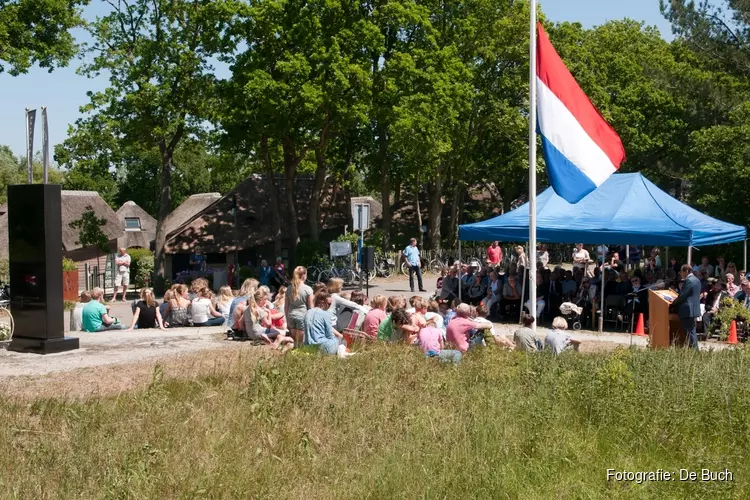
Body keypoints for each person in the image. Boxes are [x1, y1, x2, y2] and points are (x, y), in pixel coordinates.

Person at [304, 291, 347, 356]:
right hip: (323, 348)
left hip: (308, 347)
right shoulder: (325, 314)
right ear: (322, 302)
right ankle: (341, 355)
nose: (329, 306)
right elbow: (329, 335)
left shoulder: (308, 312)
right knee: (342, 341)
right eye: (329, 304)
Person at [672, 264, 702, 349]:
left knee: (689, 331)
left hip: (687, 309)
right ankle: (693, 350)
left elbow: (683, 295)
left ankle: (694, 351)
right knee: (692, 331)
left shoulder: (689, 281)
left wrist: (674, 302)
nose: (681, 274)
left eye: (681, 272)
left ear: (686, 271)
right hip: (693, 309)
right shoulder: (697, 280)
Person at [286, 267, 314, 345]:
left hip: (291, 315)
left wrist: (287, 318)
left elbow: (286, 306)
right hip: (302, 316)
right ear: (304, 275)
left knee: (294, 342)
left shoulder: (289, 288)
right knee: (300, 343)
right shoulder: (308, 289)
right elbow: (311, 307)